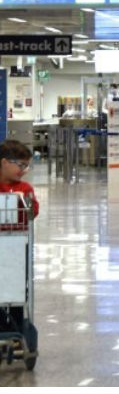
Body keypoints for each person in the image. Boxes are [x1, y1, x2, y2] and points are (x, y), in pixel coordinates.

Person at [0, 140, 39, 334]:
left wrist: (24, 202)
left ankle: (14, 328)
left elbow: (33, 211)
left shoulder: (24, 189)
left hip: (16, 245)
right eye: (20, 165)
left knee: (15, 287)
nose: (24, 170)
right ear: (5, 162)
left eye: (26, 166)